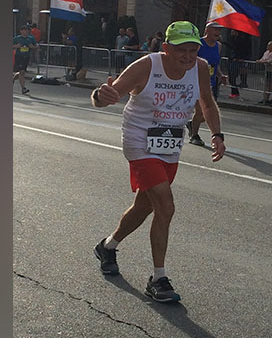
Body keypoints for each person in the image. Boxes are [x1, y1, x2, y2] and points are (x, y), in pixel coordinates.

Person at [90, 20, 226, 303]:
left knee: (145, 206)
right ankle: (158, 278)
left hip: (170, 144)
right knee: (165, 205)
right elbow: (106, 96)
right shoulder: (146, 66)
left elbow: (207, 102)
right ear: (166, 48)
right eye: (181, 51)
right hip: (140, 141)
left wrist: (217, 135)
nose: (188, 57)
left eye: (193, 50)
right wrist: (100, 96)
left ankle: (108, 246)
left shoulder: (199, 67)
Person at [187, 21, 226, 145]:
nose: (217, 32)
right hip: (197, 81)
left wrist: (221, 75)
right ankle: (194, 135)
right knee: (201, 111)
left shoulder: (218, 46)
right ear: (207, 30)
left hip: (212, 82)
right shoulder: (199, 43)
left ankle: (192, 124)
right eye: (215, 29)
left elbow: (216, 63)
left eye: (219, 30)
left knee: (207, 113)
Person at [12, 24, 37, 94]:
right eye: (24, 30)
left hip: (27, 56)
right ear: (21, 31)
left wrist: (33, 47)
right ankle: (23, 88)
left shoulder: (31, 38)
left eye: (27, 30)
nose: (26, 32)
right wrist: (16, 46)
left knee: (21, 72)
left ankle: (13, 79)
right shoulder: (17, 38)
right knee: (22, 72)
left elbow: (36, 46)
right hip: (19, 56)